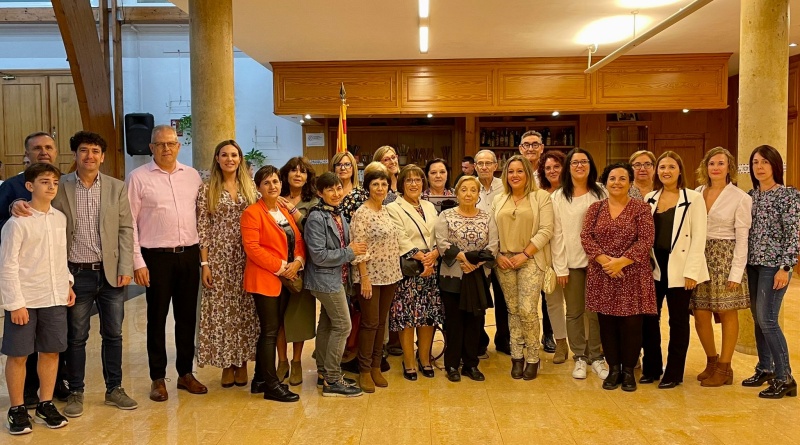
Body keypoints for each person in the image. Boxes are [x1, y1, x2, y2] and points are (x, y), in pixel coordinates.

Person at [42, 132, 135, 417]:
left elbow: (125, 229)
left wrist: (125, 267)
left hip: (109, 274)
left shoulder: (116, 187)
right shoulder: (62, 185)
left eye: (95, 150)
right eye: (84, 150)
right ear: (75, 155)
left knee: (114, 334)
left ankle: (114, 389)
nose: (90, 156)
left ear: (103, 156)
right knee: (77, 336)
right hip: (75, 274)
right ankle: (76, 391)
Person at [127, 125, 207, 402]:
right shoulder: (137, 178)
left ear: (178, 146)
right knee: (156, 318)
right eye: (160, 144)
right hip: (155, 257)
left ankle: (185, 373)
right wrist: (138, 261)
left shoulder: (192, 176)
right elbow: (130, 224)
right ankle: (157, 378)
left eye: (170, 143)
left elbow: (203, 216)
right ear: (151, 148)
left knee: (186, 317)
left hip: (188, 254)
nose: (166, 149)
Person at [1, 163, 74, 435]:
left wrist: (68, 282)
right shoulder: (17, 222)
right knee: (19, 354)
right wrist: (15, 303)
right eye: (45, 182)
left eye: (55, 182)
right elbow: (7, 265)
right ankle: (17, 408)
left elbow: (59, 255)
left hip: (53, 296)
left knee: (51, 351)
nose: (51, 186)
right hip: (25, 299)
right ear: (30, 186)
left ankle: (45, 403)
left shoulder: (59, 218)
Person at [581, 163, 657, 392]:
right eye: (612, 178)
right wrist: (607, 262)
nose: (617, 183)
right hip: (602, 274)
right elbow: (586, 237)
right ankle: (613, 369)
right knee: (607, 324)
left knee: (632, 325)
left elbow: (646, 240)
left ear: (630, 183)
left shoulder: (641, 209)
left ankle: (628, 371)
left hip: (632, 274)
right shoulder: (595, 208)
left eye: (622, 178)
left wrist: (621, 262)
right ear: (605, 183)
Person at [643, 151, 709, 389]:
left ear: (680, 170)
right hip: (655, 266)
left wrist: (692, 272)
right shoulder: (649, 198)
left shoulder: (693, 198)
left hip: (681, 269)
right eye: (662, 167)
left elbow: (699, 237)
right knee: (650, 318)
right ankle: (651, 367)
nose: (666, 171)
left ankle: (674, 372)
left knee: (678, 322)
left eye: (671, 167)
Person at [196, 140, 259, 389]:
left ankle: (242, 362)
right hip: (219, 257)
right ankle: (226, 363)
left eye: (234, 155)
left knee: (245, 309)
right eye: (225, 155)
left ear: (240, 158)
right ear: (217, 158)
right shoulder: (207, 188)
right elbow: (203, 227)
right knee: (222, 312)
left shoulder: (251, 187)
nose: (230, 159)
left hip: (246, 255)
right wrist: (205, 263)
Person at [241, 165, 304, 403]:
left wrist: (297, 262)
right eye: (266, 183)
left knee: (274, 328)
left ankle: (259, 379)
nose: (272, 186)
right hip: (265, 279)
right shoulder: (252, 213)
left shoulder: (283, 210)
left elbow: (297, 239)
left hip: (285, 278)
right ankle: (271, 385)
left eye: (276, 182)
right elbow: (253, 248)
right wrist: (281, 267)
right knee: (269, 332)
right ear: (258, 187)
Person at [744, 145, 800, 399]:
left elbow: (794, 235)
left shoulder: (788, 196)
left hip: (774, 266)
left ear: (775, 165)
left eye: (765, 162)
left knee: (768, 320)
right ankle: (765, 368)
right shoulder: (750, 196)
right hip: (752, 265)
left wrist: (786, 267)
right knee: (758, 319)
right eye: (755, 162)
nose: (759, 167)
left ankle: (785, 376)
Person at [692, 147, 752, 387]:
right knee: (700, 314)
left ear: (730, 168)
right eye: (711, 163)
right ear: (705, 167)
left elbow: (743, 238)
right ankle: (712, 361)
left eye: (720, 163)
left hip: (726, 258)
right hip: (700, 256)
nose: (715, 167)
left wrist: (736, 273)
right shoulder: (697, 193)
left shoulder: (740, 197)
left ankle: (726, 367)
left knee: (727, 312)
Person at [304, 172, 366, 397]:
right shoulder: (316, 217)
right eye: (330, 189)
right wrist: (350, 252)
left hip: (338, 278)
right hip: (324, 279)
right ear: (320, 193)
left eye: (339, 188)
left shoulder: (339, 215)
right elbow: (318, 256)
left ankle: (323, 372)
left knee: (328, 325)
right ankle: (332, 379)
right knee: (343, 326)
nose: (336, 193)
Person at [492, 155, 553, 380]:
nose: (515, 175)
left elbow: (546, 230)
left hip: (531, 260)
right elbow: (492, 232)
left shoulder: (541, 197)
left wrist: (525, 254)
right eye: (510, 171)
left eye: (520, 171)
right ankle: (516, 357)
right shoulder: (499, 199)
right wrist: (497, 254)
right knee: (513, 310)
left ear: (528, 174)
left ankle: (533, 358)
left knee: (528, 309)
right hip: (504, 261)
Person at [551, 148, 608, 380]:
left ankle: (597, 356)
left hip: (599, 263)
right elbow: (557, 234)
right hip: (572, 263)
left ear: (590, 165)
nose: (579, 166)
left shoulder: (601, 192)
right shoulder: (558, 196)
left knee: (595, 312)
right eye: (575, 162)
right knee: (574, 312)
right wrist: (561, 267)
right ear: (569, 168)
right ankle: (579, 357)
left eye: (584, 161)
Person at [435, 176, 499, 382]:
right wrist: (463, 258)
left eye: (473, 190)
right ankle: (452, 364)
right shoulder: (446, 216)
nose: (469, 194)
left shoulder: (488, 217)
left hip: (478, 277)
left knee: (475, 322)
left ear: (479, 194)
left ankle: (471, 364)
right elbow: (442, 242)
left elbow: (493, 245)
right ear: (457, 193)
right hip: (452, 275)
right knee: (454, 322)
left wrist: (476, 264)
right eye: (464, 190)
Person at [386, 165, 442, 380]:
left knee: (428, 317)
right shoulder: (394, 207)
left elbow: (439, 233)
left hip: (432, 269)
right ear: (401, 184)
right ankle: (409, 360)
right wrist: (423, 257)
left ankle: (425, 358)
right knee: (407, 318)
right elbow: (399, 237)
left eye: (418, 179)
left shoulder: (429, 206)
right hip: (411, 271)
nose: (414, 184)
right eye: (409, 180)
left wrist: (434, 254)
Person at [350, 165, 402, 392]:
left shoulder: (386, 210)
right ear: (368, 187)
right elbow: (359, 248)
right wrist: (364, 277)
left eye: (383, 184)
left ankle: (375, 366)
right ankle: (363, 370)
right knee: (370, 323)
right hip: (370, 275)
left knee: (382, 323)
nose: (380, 188)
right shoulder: (362, 213)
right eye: (375, 184)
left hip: (390, 274)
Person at [275, 157, 319, 386]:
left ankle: (296, 362)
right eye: (293, 170)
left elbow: (312, 234)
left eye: (302, 172)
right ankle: (281, 361)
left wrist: (294, 211)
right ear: (286, 174)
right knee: (278, 317)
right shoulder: (274, 197)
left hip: (302, 268)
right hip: (275, 267)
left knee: (298, 317)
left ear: (308, 177)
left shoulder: (313, 202)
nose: (297, 175)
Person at [474, 149, 509, 355]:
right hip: (478, 256)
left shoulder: (505, 187)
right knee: (479, 300)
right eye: (481, 163)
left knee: (504, 300)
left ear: (496, 166)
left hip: (503, 252)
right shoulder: (468, 187)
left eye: (488, 163)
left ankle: (504, 340)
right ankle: (479, 340)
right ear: (475, 166)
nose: (485, 167)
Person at [536, 151, 569, 363]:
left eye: (556, 166)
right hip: (547, 257)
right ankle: (561, 343)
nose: (552, 171)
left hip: (573, 256)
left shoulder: (573, 192)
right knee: (553, 303)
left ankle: (583, 346)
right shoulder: (540, 195)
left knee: (579, 306)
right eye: (548, 168)